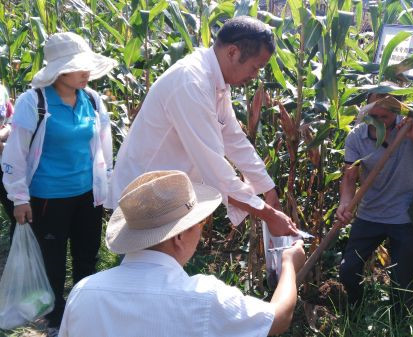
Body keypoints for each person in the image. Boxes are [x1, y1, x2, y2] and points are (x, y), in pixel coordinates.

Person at [109, 16, 297, 237]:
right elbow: (214, 168)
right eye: (255, 67)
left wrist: (267, 188)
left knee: (164, 267)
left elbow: (233, 137)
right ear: (233, 52)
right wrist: (268, 215)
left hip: (166, 196)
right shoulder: (191, 83)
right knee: (146, 268)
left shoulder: (215, 81)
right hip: (144, 200)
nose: (255, 76)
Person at [58, 170, 306, 337]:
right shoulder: (204, 297)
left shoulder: (83, 291)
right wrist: (289, 266)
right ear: (178, 236)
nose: (200, 230)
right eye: (198, 224)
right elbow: (278, 318)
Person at [1, 32, 116, 334]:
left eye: (86, 66)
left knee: (86, 256)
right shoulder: (34, 102)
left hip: (87, 196)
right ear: (58, 70)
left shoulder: (92, 99)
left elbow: (104, 146)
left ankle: (83, 312)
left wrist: (106, 187)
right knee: (52, 260)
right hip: (48, 197)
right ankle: (54, 318)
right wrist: (19, 198)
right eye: (77, 67)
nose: (85, 73)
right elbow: (16, 153)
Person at [336, 93, 413, 318]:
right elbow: (349, 176)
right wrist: (346, 203)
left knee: (402, 281)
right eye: (371, 115)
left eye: (383, 116)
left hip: (407, 214)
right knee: (348, 269)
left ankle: (400, 322)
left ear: (397, 111)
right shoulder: (357, 136)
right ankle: (357, 307)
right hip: (370, 213)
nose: (376, 120)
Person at [0, 83, 16, 236]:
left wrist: (5, 132)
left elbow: (11, 122)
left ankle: (17, 257)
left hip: (4, 165)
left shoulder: (1, 91)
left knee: (16, 216)